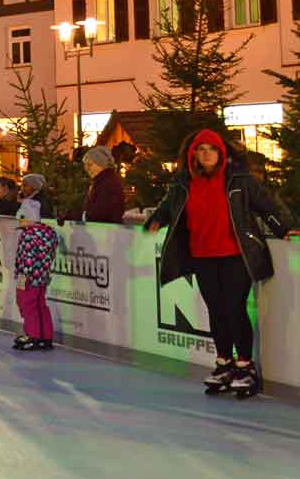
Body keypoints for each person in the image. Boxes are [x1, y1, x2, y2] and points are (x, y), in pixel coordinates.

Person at [144, 129, 297, 397]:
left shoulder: (239, 179)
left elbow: (265, 205)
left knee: (235, 308)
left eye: (211, 149)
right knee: (216, 310)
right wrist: (156, 220)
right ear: (193, 155)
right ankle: (224, 362)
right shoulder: (183, 182)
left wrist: (284, 228)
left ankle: (245, 366)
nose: (206, 154)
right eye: (200, 150)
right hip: (202, 256)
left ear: (221, 153)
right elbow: (168, 207)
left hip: (235, 255)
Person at [12, 194, 59, 351]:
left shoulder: (28, 236)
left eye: (22, 219)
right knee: (40, 305)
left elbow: (27, 259)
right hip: (42, 277)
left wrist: (23, 277)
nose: (20, 222)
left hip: (28, 278)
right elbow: (50, 255)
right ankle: (46, 336)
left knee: (28, 305)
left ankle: (33, 335)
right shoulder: (49, 234)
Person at [78, 146, 126, 224]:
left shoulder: (108, 184)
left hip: (106, 232)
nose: (86, 168)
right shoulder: (100, 181)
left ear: (102, 164)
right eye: (85, 165)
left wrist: (77, 217)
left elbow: (99, 214)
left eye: (90, 165)